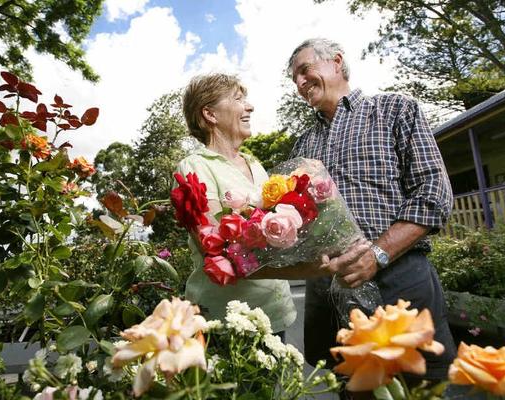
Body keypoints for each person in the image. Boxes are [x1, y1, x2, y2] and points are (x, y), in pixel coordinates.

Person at [286, 38, 457, 383]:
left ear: (336, 61)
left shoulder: (396, 109)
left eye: (305, 71)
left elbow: (434, 191)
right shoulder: (302, 145)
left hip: (399, 275)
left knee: (422, 382)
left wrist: (377, 253)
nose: (300, 83)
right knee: (352, 384)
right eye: (294, 79)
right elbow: (299, 221)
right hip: (330, 287)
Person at [175, 73, 298, 337]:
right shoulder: (194, 167)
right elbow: (217, 251)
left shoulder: (255, 164)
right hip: (227, 322)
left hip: (276, 313)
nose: (250, 107)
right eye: (238, 99)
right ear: (210, 114)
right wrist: (307, 269)